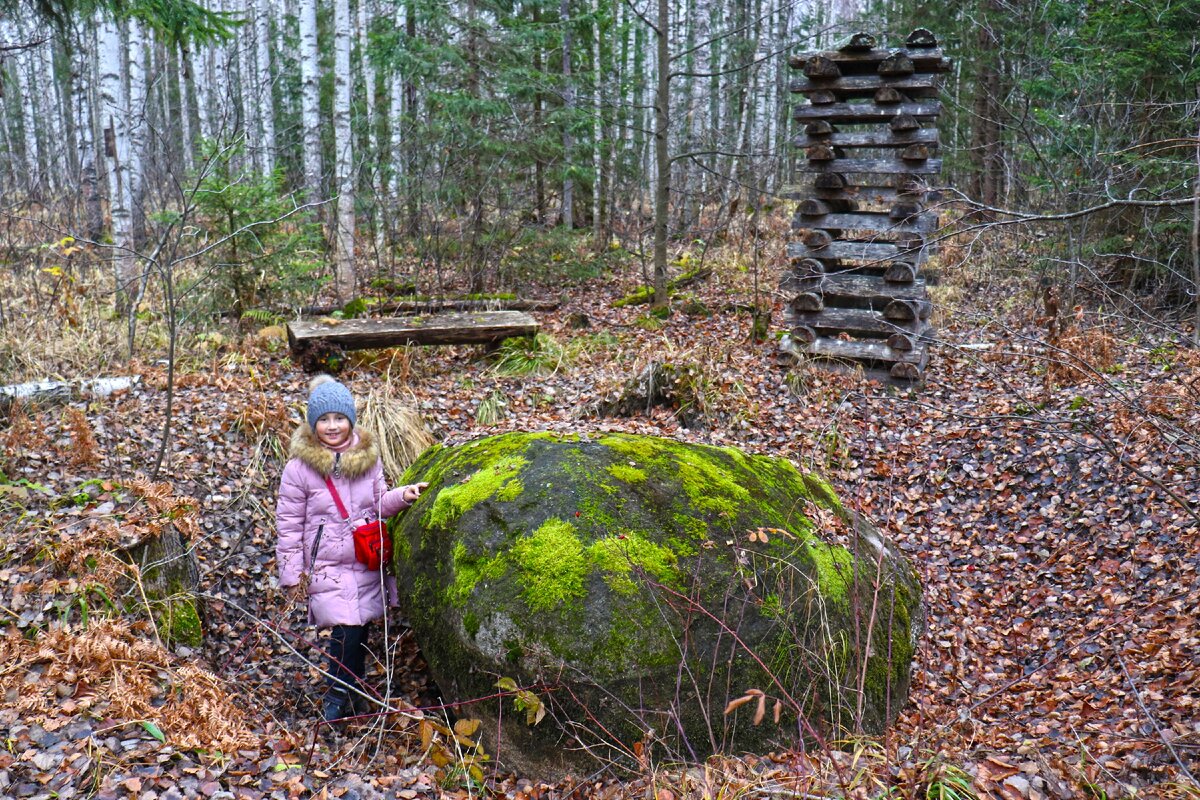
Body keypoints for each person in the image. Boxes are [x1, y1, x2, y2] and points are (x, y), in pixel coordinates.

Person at [275, 375, 427, 722]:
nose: (332, 426)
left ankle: (353, 689)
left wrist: (403, 496)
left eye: (339, 418)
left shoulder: (367, 460)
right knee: (346, 629)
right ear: (314, 424)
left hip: (364, 558)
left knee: (360, 630)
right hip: (326, 564)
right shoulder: (299, 469)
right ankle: (337, 693)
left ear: (350, 420)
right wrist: (292, 573)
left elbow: (377, 505)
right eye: (324, 419)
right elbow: (287, 524)